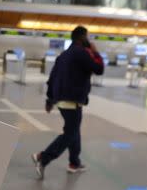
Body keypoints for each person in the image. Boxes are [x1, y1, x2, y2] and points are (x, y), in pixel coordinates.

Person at [32, 26, 104, 178]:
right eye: (87, 37)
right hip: (73, 100)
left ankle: (74, 163)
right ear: (82, 37)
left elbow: (52, 77)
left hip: (62, 100)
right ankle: (43, 158)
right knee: (70, 133)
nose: (88, 40)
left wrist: (50, 100)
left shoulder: (63, 55)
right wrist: (95, 52)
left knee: (74, 131)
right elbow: (99, 69)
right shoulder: (83, 53)